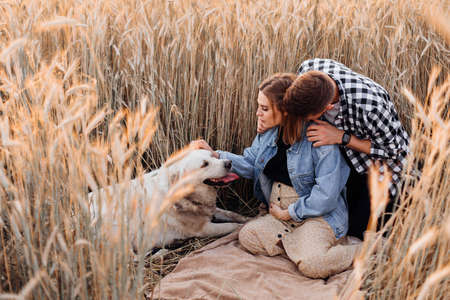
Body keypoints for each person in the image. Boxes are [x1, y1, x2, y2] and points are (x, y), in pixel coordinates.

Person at [191, 73, 360, 279]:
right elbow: (251, 163)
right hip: (281, 217)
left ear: (285, 111)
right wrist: (216, 156)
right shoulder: (269, 133)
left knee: (313, 265)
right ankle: (301, 245)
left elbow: (326, 195)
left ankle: (364, 249)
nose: (257, 114)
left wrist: (289, 213)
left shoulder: (320, 139)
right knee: (248, 236)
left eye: (264, 109)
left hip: (316, 216)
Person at [271, 58, 410, 240]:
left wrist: (341, 137)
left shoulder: (371, 107)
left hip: (379, 164)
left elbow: (394, 151)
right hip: (344, 154)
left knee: (357, 231)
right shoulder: (308, 68)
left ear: (328, 108)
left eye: (308, 118)